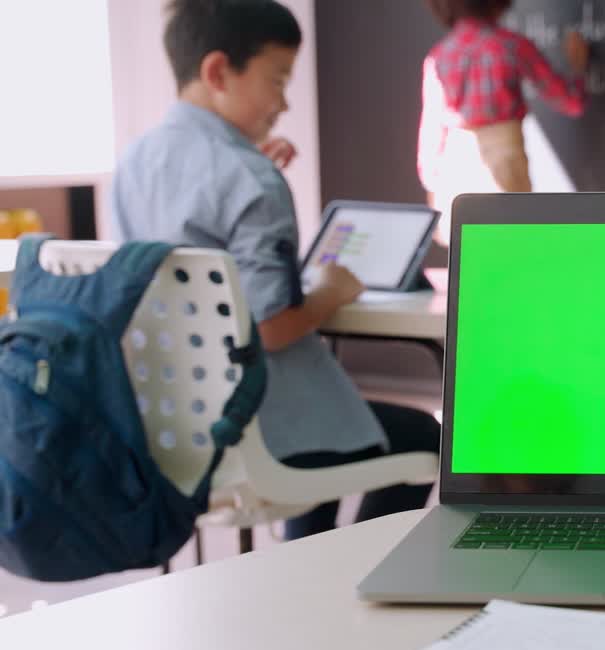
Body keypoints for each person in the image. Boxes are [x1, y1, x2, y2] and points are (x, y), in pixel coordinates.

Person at [112, 0, 440, 539]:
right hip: (264, 429)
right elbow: (272, 327)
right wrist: (330, 292)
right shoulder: (249, 178)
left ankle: (306, 562)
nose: (284, 101)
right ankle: (346, 569)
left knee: (332, 431)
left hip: (179, 429)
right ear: (219, 71)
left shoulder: (136, 161)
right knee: (423, 436)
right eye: (278, 78)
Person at [418, 0, 588, 244]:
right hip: (504, 163)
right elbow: (570, 101)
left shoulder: (439, 55)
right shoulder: (510, 46)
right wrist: (578, 67)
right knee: (509, 244)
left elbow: (431, 139)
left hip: (454, 167)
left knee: (467, 254)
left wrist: (434, 186)